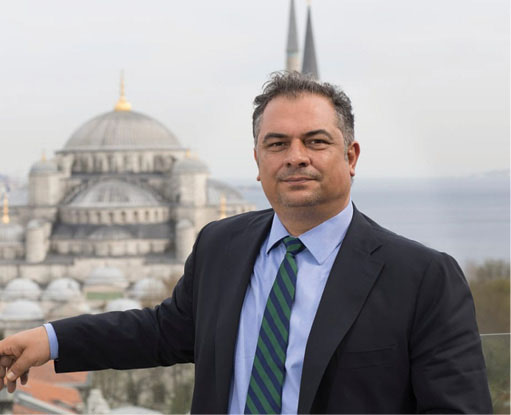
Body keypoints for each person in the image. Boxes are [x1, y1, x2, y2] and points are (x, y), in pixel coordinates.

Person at [0, 72, 492, 413]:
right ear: (257, 162)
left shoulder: (421, 277)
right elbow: (162, 331)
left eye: (316, 141)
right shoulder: (222, 245)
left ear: (351, 156)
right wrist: (51, 339)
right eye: (277, 144)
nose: (295, 157)